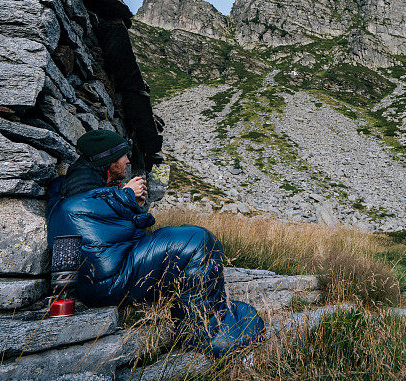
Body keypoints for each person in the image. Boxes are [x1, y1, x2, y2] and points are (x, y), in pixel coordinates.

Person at [47, 129, 264, 357]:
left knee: (179, 240)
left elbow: (114, 232)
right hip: (110, 281)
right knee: (196, 241)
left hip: (112, 274)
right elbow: (76, 211)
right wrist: (126, 197)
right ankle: (208, 334)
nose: (128, 160)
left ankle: (200, 316)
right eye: (123, 156)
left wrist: (131, 203)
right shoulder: (77, 197)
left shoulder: (87, 187)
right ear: (108, 162)